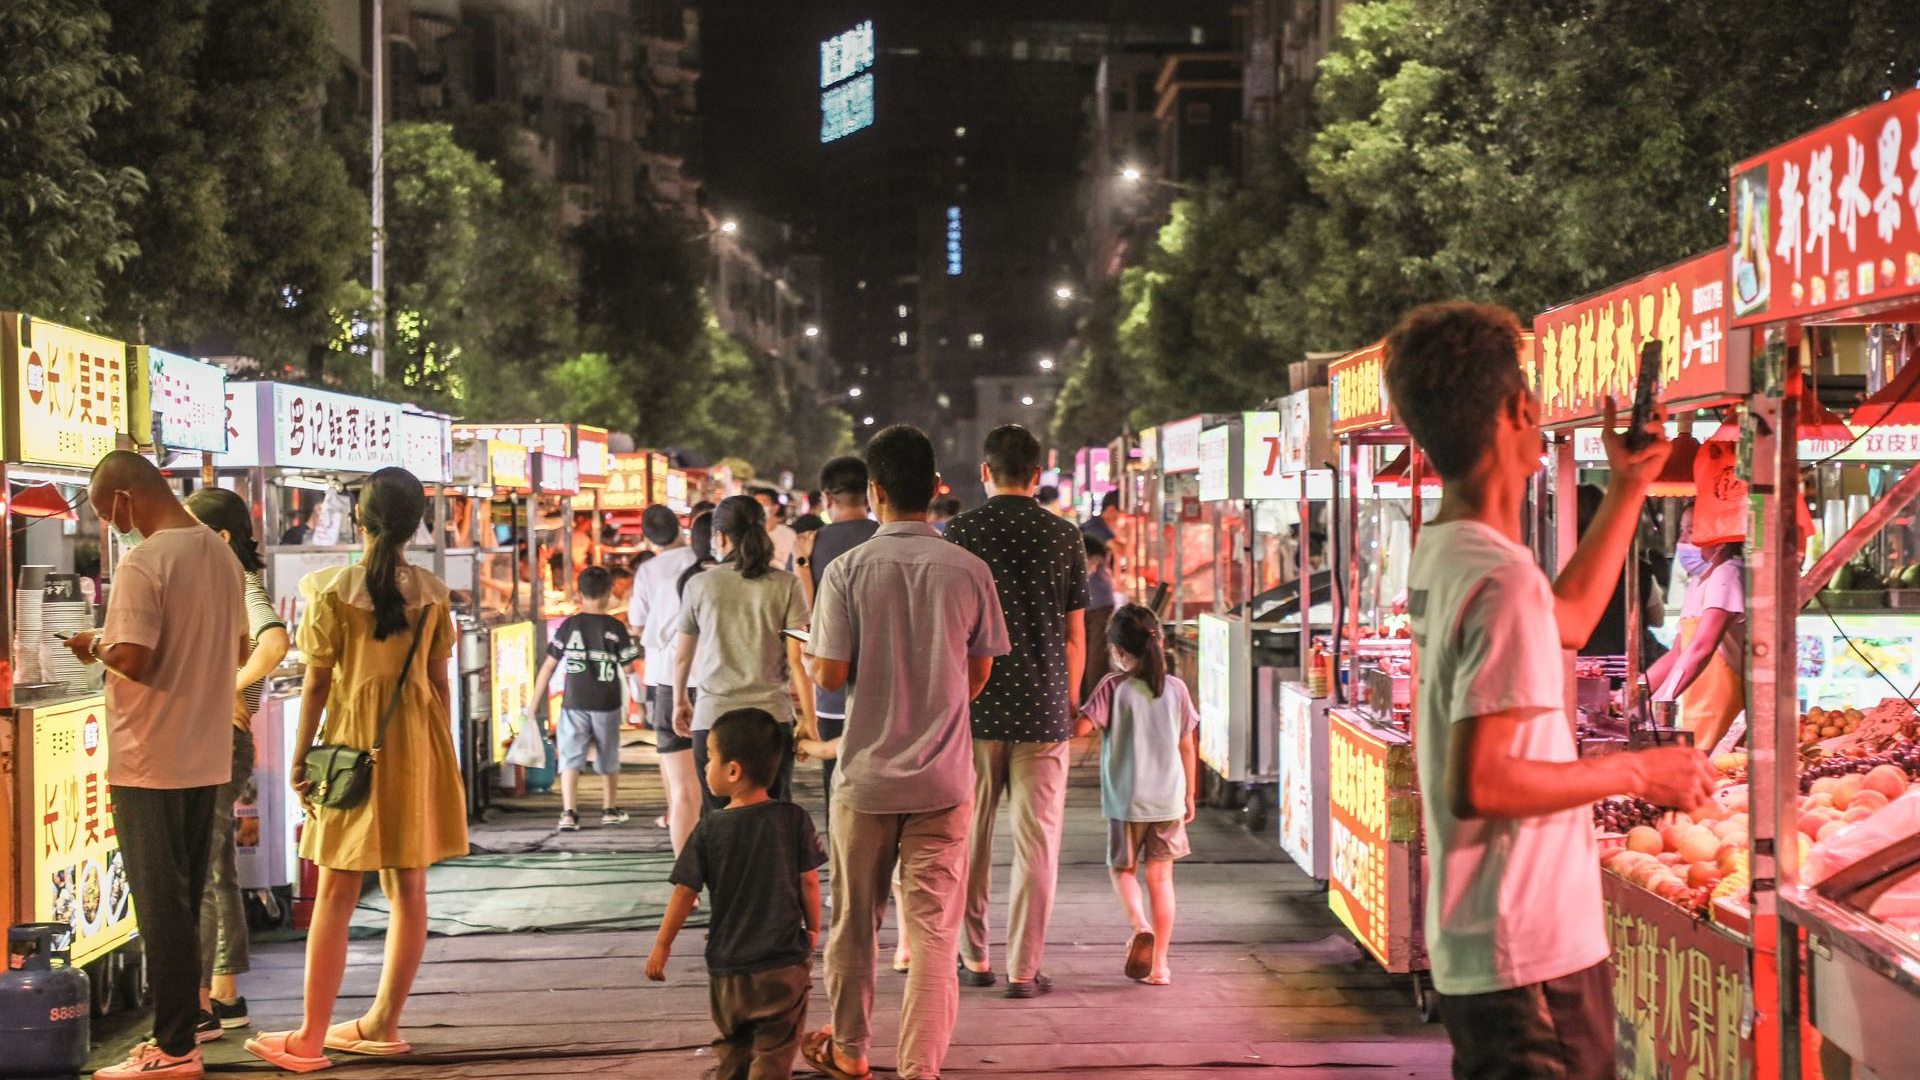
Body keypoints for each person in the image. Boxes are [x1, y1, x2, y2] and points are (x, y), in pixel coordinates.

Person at [1383, 302, 1717, 1079]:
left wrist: (1630, 485)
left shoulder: (1451, 551)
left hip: (1491, 942)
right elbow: (1482, 779)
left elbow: (1563, 619)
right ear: (1520, 410)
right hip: (1528, 953)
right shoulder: (1497, 579)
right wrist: (1641, 770)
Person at [801, 424, 1009, 1080]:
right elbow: (978, 677)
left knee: (854, 928)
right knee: (934, 939)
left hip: (864, 780)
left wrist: (813, 650)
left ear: (876, 491)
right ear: (935, 491)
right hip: (945, 781)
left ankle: (851, 1051)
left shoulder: (847, 570)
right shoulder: (970, 570)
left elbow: (830, 676)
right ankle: (921, 1069)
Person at [244, 468, 468, 1073]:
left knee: (337, 892)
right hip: (418, 745)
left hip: (352, 745)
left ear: (360, 519)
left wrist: (301, 755)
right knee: (409, 890)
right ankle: (382, 1024)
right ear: (416, 522)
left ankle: (312, 1037)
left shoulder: (332, 589)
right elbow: (440, 686)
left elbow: (317, 682)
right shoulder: (434, 592)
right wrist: (437, 760)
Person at [69, 452, 248, 1080]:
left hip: (150, 756)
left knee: (161, 907)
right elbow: (242, 645)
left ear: (125, 498)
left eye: (104, 514)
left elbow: (137, 660)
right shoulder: (221, 556)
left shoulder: (146, 561)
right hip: (204, 752)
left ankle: (173, 1049)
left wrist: (94, 644)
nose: (111, 528)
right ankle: (180, 1038)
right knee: (184, 897)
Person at [944, 424, 1088, 998]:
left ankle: (974, 957)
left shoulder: (961, 531)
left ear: (984, 473)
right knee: (1038, 844)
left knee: (970, 838)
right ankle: (1024, 971)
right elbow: (1076, 636)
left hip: (976, 708)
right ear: (1038, 474)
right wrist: (1068, 702)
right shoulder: (1064, 537)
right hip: (1043, 712)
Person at [646, 709, 826, 1080]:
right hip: (783, 962)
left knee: (733, 1045)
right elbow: (809, 881)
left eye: (710, 757)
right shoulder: (793, 819)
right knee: (775, 1047)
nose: (705, 765)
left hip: (728, 967)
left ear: (733, 771)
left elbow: (684, 892)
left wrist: (663, 945)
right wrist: (812, 929)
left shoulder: (709, 829)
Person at [182, 488, 291, 1043]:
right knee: (216, 869)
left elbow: (275, 642)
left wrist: (227, 685)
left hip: (220, 742)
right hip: (214, 740)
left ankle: (205, 999)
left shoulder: (240, 583)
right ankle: (222, 995)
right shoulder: (214, 583)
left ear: (220, 539)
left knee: (204, 870)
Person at [1074, 604, 1197, 986]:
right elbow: (1187, 747)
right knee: (1161, 880)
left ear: (1119, 651)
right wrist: (1190, 794)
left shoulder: (1113, 687)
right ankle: (1160, 964)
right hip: (1169, 801)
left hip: (1126, 803)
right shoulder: (1176, 689)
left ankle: (1140, 925)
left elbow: (1080, 729)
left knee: (1123, 871)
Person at [673, 496, 815, 812]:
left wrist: (680, 700)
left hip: (713, 720)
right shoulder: (787, 584)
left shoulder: (699, 584)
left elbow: (682, 656)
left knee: (717, 820)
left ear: (720, 537)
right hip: (771, 720)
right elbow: (798, 659)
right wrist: (810, 721)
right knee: (775, 817)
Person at [791, 455, 880, 841]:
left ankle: (844, 877)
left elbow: (807, 623)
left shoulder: (811, 546)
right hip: (887, 688)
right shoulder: (886, 535)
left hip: (833, 690)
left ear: (827, 498)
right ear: (870, 492)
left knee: (838, 790)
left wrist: (801, 568)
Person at [534, 566, 643, 831]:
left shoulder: (570, 625)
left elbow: (549, 666)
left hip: (575, 703)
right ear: (608, 593)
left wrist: (534, 703)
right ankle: (608, 809)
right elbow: (629, 671)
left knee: (571, 758)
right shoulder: (615, 627)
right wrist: (640, 703)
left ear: (580, 593)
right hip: (607, 703)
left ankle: (569, 813)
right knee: (608, 756)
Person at [630, 506, 703, 853]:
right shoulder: (704, 566)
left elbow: (641, 627)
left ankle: (686, 877)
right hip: (712, 681)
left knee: (682, 785)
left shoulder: (649, 571)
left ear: (647, 537)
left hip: (666, 679)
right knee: (710, 781)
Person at [1646, 506, 1745, 751]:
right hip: (1697, 705)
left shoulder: (1728, 574)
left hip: (1725, 709)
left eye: (1690, 531)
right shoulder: (1699, 581)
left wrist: (1662, 699)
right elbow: (1679, 652)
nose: (1681, 541)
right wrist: (1640, 689)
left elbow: (1702, 647)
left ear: (1719, 539)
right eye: (1682, 531)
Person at [1082, 533, 1116, 703]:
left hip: (1097, 608)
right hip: (1094, 608)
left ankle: (1093, 704)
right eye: (1094, 564)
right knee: (1094, 657)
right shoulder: (1087, 546)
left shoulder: (1092, 546)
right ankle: (1093, 703)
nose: (1094, 569)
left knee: (1095, 657)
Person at [751, 485, 798, 571]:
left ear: (775, 508)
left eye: (761, 505)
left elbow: (794, 563)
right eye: (754, 505)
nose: (757, 509)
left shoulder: (788, 534)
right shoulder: (748, 533)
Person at [1082, 490, 1128, 564]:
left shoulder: (1099, 525)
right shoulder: (1094, 527)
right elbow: (1122, 550)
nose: (1125, 519)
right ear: (1111, 510)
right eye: (1123, 515)